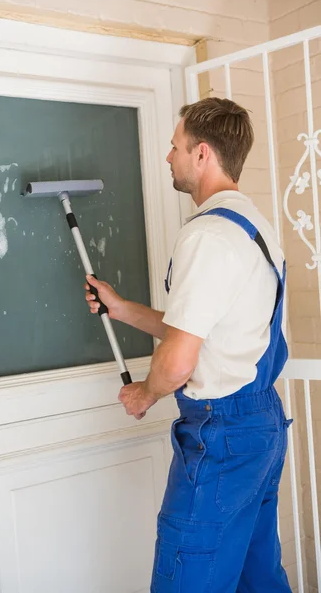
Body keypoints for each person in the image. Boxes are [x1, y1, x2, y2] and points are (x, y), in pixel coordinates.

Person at [85, 97, 292, 592]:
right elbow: (203, 332)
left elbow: (178, 361)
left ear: (202, 154)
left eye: (174, 146)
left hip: (221, 435)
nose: (167, 157)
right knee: (256, 576)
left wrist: (145, 393)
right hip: (260, 425)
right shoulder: (256, 229)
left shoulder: (206, 236)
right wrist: (124, 309)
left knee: (188, 576)